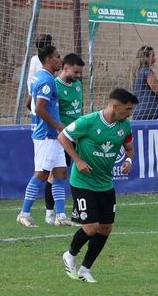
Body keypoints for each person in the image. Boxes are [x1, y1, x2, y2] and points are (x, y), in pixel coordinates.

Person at [58, 87, 137, 284]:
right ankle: (70, 254)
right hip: (82, 182)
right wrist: (78, 161)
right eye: (128, 109)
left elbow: (129, 148)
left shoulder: (125, 126)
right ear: (115, 106)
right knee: (91, 227)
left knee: (105, 228)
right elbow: (63, 137)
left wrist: (129, 161)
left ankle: (85, 269)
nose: (130, 113)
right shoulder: (88, 121)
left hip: (105, 184)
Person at [17, 43, 70, 228]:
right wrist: (57, 125)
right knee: (41, 174)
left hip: (53, 135)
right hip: (47, 135)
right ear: (48, 59)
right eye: (57, 57)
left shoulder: (39, 76)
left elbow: (30, 103)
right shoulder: (47, 80)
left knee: (60, 173)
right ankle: (24, 213)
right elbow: (39, 107)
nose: (60, 60)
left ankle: (61, 216)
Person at [132, 45, 158, 120]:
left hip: (137, 111)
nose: (155, 58)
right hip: (151, 110)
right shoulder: (146, 70)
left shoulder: (136, 73)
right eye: (153, 56)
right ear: (146, 58)